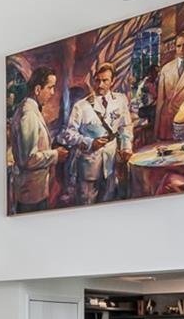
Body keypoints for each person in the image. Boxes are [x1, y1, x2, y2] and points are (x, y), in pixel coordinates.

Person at [62, 63, 134, 204]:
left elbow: (125, 126)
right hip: (88, 166)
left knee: (109, 200)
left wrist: (126, 147)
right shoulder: (81, 106)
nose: (100, 85)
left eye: (105, 80)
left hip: (111, 164)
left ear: (112, 81)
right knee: (87, 202)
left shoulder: (120, 101)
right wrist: (90, 143)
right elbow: (69, 134)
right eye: (97, 80)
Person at [8, 67, 69, 212]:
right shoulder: (29, 115)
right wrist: (55, 155)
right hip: (31, 194)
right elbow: (28, 159)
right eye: (50, 87)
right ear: (37, 89)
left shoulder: (29, 109)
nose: (52, 93)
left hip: (33, 191)